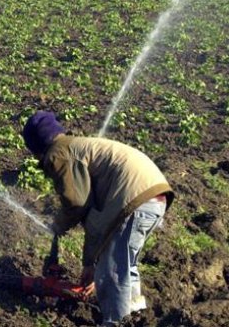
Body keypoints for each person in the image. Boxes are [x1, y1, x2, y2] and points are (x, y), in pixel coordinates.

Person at [21, 111, 173, 326]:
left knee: (113, 273)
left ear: (36, 147)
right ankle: (136, 319)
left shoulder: (58, 153)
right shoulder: (77, 145)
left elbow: (76, 203)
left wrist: (58, 226)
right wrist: (89, 263)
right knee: (126, 267)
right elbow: (94, 216)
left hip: (134, 199)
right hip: (155, 196)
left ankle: (116, 323)